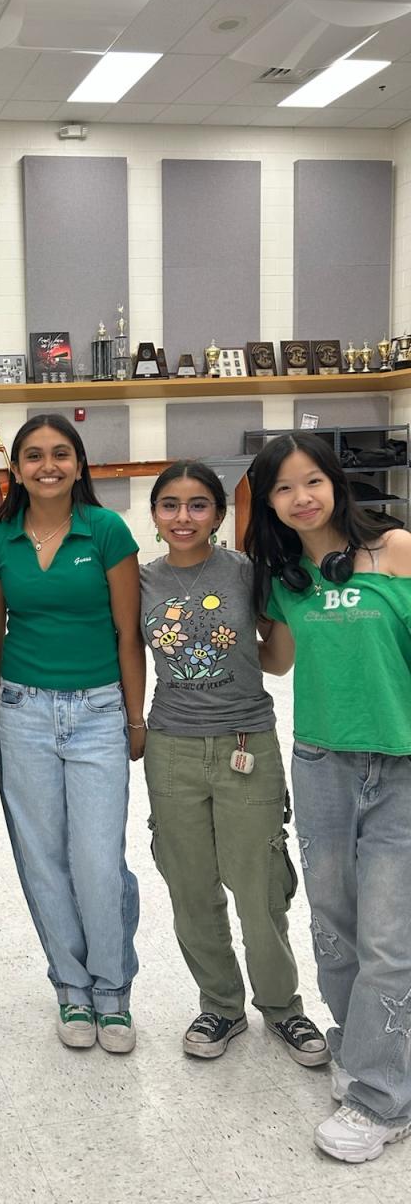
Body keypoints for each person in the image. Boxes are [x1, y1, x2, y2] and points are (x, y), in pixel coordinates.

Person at [246, 430, 411, 1163]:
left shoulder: (396, 551)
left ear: (336, 483)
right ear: (268, 503)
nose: (300, 497)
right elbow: (276, 662)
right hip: (320, 764)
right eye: (282, 488)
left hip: (400, 764)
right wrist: (211, 620)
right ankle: (363, 1049)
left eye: (311, 480)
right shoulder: (286, 581)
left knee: (389, 939)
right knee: (335, 929)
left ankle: (383, 1101)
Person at [140, 460, 327, 1064]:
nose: (184, 517)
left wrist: (273, 630)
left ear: (219, 515)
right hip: (172, 749)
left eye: (198, 505)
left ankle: (283, 1007)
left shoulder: (248, 573)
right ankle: (220, 1005)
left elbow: (277, 659)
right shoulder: (141, 581)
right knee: (190, 885)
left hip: (246, 743)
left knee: (259, 885)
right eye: (170, 505)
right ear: (155, 515)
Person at [0, 414, 144, 1053]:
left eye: (60, 454)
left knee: (98, 860)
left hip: (99, 710)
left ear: (79, 465)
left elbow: (128, 634)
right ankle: (72, 987)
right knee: (41, 858)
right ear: (16, 469)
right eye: (34, 456)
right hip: (21, 710)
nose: (48, 466)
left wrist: (135, 717)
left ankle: (113, 989)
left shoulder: (106, 530)